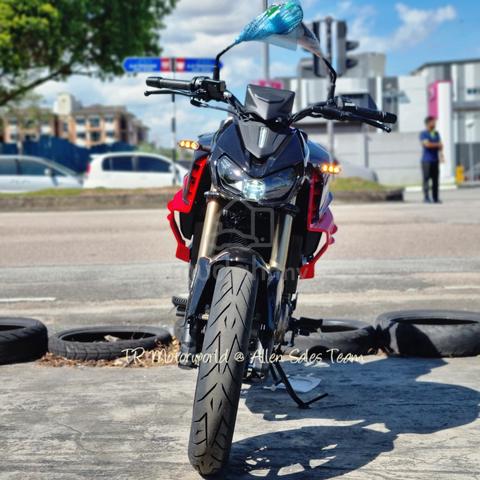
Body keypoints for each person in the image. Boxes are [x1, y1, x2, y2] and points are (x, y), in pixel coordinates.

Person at [420, 116, 443, 203]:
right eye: (433, 122)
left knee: (435, 180)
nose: (434, 124)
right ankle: (426, 198)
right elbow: (427, 145)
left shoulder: (436, 133)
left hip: (435, 160)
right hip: (426, 161)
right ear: (428, 123)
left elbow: (440, 145)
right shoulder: (424, 134)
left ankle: (435, 198)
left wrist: (441, 155)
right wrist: (437, 145)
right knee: (426, 180)